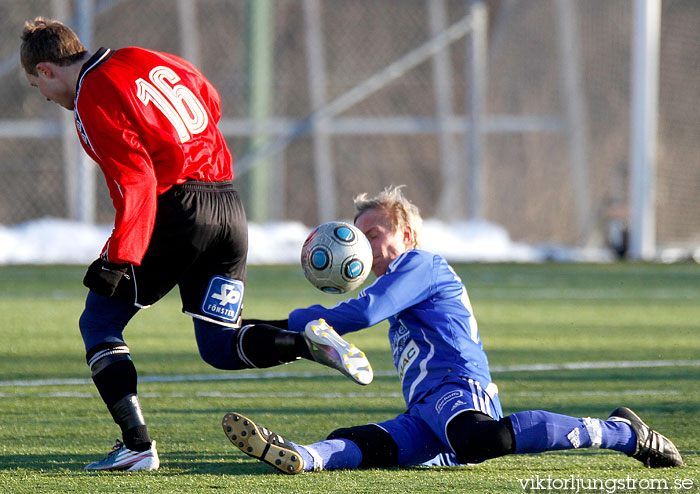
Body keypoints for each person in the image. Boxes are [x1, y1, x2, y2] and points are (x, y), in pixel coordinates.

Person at [20, 17, 372, 472]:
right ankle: (304, 342)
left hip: (177, 211)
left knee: (99, 322)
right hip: (226, 205)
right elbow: (210, 96)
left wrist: (119, 256)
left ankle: (137, 446)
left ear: (46, 70)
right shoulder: (144, 57)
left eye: (36, 86)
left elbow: (137, 178)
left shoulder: (92, 93)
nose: (45, 98)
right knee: (219, 345)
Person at [221, 185, 684, 474]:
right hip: (425, 411)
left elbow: (361, 315)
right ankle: (304, 455)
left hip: (458, 390)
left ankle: (622, 432)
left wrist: (298, 318)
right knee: (369, 445)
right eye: (360, 236)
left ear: (408, 235)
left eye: (375, 233)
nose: (367, 246)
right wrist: (248, 327)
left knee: (480, 439)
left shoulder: (423, 265)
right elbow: (352, 315)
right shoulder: (396, 285)